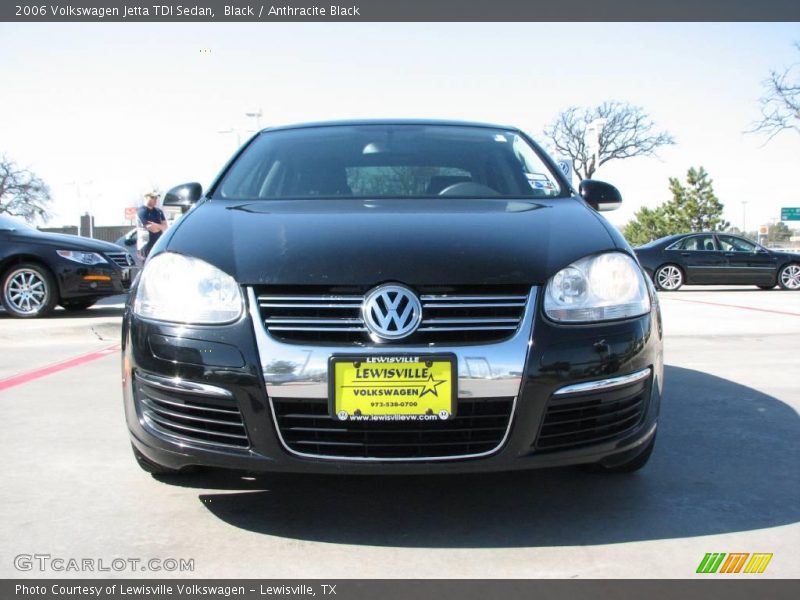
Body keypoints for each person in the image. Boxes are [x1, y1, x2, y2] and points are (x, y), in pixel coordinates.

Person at [136, 190, 168, 259]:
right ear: (146, 197)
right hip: (145, 246)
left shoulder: (159, 211)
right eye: (153, 197)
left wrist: (156, 225)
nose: (155, 200)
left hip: (158, 245)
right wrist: (160, 227)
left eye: (156, 198)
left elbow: (165, 227)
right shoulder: (142, 211)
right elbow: (152, 229)